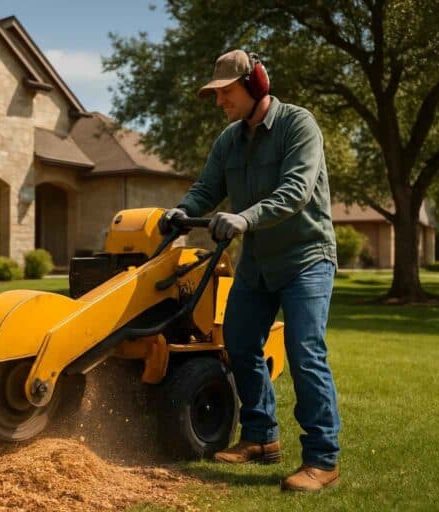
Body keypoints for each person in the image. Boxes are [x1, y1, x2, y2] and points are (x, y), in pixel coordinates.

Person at [159, 49, 341, 492]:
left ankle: (323, 459)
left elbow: (296, 190)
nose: (220, 101)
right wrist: (182, 211)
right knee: (238, 342)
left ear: (255, 83)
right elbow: (208, 188)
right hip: (258, 261)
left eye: (226, 92)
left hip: (306, 257)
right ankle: (261, 438)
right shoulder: (229, 140)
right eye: (216, 94)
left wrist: (244, 218)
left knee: (304, 351)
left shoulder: (299, 125)